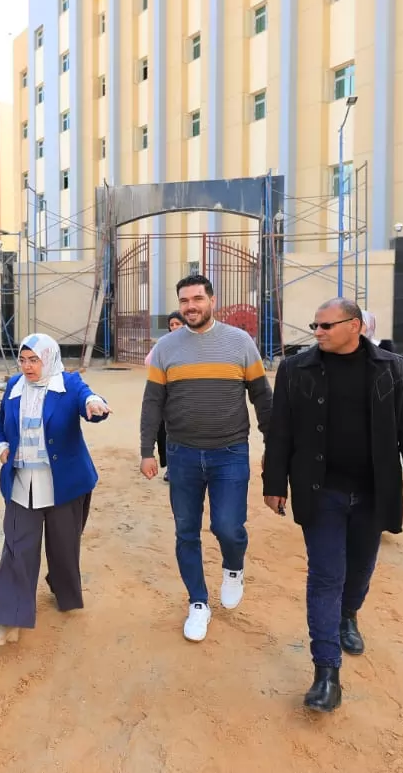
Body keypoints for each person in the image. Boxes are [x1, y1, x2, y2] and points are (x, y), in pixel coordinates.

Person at [261, 297, 403, 713]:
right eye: (315, 325)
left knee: (360, 568)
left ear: (355, 326)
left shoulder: (396, 370)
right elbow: (281, 431)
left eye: (326, 325)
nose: (317, 332)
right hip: (320, 490)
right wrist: (275, 483)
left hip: (373, 493)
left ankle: (349, 614)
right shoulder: (295, 369)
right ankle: (326, 672)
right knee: (326, 575)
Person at [138, 275, 272, 642]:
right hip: (182, 454)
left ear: (212, 300)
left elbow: (262, 396)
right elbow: (153, 402)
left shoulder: (240, 342)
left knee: (228, 527)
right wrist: (147, 450)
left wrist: (273, 445)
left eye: (197, 298)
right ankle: (198, 602)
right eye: (184, 300)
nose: (191, 306)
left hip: (230, 452)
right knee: (186, 531)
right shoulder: (166, 347)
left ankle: (233, 567)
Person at [0, 334, 110, 645]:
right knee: (17, 548)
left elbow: (86, 398)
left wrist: (94, 403)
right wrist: (2, 446)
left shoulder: (68, 384)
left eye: (34, 360)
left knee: (64, 546)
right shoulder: (15, 386)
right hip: (22, 482)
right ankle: (9, 617)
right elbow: (1, 423)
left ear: (49, 359)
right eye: (23, 360)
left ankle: (63, 590)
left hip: (64, 483)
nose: (27, 367)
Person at [146, 311, 186, 481]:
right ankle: (170, 467)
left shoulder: (191, 342)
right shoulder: (164, 343)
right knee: (164, 432)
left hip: (185, 395)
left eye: (178, 324)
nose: (175, 327)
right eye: (172, 325)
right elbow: (149, 361)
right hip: (166, 393)